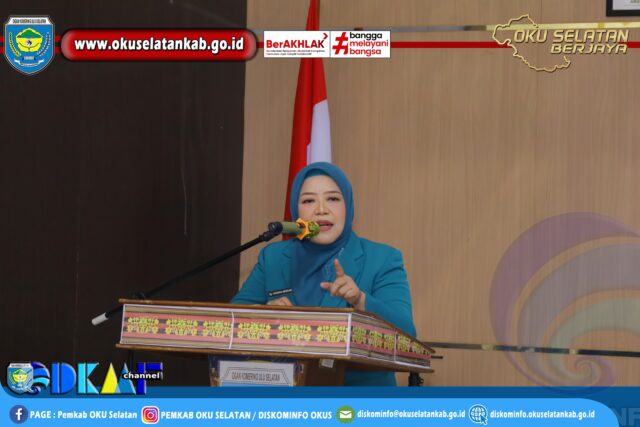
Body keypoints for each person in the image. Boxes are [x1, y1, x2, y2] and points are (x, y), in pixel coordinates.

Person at [231, 162, 416, 386]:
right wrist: (264, 315)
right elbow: (234, 318)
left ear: (348, 206)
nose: (321, 209)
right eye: (309, 201)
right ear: (296, 210)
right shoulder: (274, 257)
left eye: (333, 199)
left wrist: (360, 300)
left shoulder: (382, 258)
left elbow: (407, 336)